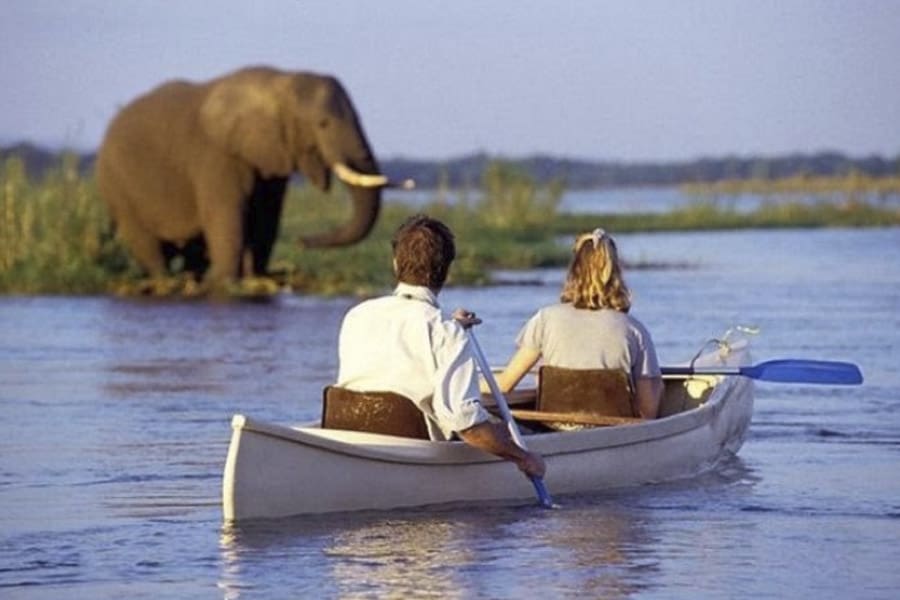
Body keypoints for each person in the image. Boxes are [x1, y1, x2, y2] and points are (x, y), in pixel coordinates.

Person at [336, 214, 545, 478]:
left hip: (350, 436)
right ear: (446, 269)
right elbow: (465, 423)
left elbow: (399, 353)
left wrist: (452, 327)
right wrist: (524, 457)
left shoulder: (357, 315)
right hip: (410, 449)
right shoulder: (445, 331)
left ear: (396, 263)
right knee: (505, 430)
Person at [488, 228, 663, 419]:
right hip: (614, 433)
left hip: (554, 428)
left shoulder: (545, 319)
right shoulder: (634, 330)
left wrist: (467, 384)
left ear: (573, 270)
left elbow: (505, 385)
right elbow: (648, 412)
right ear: (616, 272)